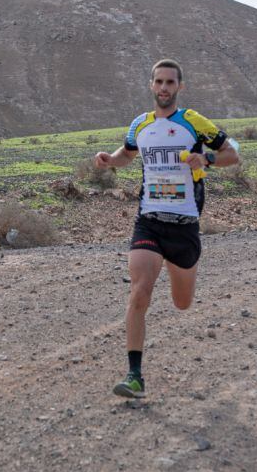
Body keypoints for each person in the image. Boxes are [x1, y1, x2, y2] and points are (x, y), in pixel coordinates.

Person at [93, 58, 240, 398]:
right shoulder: (140, 124)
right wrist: (110, 160)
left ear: (179, 87)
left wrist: (208, 159)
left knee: (182, 302)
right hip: (149, 219)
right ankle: (134, 376)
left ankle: (185, 272)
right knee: (140, 290)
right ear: (150, 85)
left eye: (170, 83)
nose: (163, 88)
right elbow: (128, 153)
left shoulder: (192, 121)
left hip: (185, 223)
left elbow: (232, 154)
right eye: (158, 82)